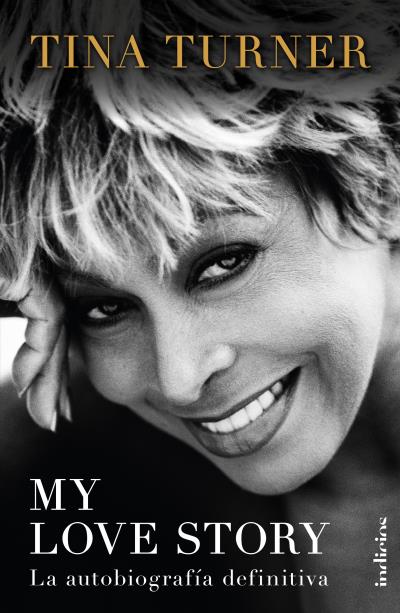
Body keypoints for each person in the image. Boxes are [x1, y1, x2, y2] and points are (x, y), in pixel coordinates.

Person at [0, 1, 399, 611]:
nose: (180, 380)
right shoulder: (60, 492)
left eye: (222, 264)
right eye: (103, 308)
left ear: (380, 181)